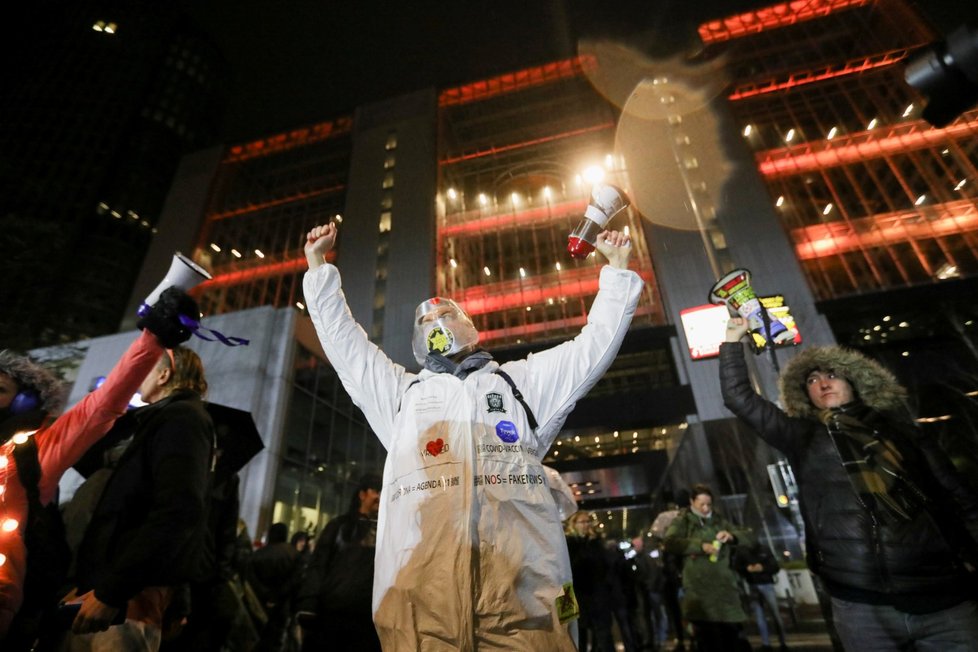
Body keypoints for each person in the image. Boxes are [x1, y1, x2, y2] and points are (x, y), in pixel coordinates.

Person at [303, 220, 642, 650]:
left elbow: (591, 350)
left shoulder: (522, 385)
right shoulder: (402, 396)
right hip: (421, 609)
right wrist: (318, 270)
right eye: (426, 319)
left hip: (524, 606)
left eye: (446, 314)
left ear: (468, 325)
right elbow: (346, 347)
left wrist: (616, 273)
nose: (435, 322)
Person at [721, 316, 978, 651]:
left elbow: (960, 499)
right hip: (860, 604)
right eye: (812, 380)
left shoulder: (902, 432)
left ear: (854, 382)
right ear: (805, 394)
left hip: (944, 598)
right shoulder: (802, 436)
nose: (823, 383)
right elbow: (739, 398)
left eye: (832, 374)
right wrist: (731, 339)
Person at [0, 288, 195, 649]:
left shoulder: (32, 450)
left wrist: (153, 338)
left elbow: (101, 407)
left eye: (0, 388)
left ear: (25, 400)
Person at [66, 345, 216, 651]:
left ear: (164, 375)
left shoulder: (182, 417)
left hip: (126, 601)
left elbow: (178, 511)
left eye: (147, 368)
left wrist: (112, 591)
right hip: (107, 591)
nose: (137, 377)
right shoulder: (160, 419)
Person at [296, 473, 382, 652]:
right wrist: (308, 604)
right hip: (331, 617)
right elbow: (318, 565)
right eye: (376, 490)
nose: (380, 496)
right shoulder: (339, 526)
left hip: (369, 622)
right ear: (362, 494)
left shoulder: (387, 530)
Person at [663, 484, 752, 652]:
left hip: (724, 590)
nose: (705, 508)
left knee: (732, 638)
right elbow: (670, 542)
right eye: (701, 504)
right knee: (708, 639)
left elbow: (748, 536)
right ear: (692, 502)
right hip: (699, 591)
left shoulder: (719, 521)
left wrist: (732, 536)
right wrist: (700, 546)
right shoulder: (683, 521)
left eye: (708, 504)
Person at [249, 523, 302, 652]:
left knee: (258, 638)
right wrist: (278, 596)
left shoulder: (258, 554)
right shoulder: (293, 554)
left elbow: (251, 579)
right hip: (282, 604)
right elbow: (295, 580)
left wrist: (266, 595)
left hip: (259, 603)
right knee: (276, 640)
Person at [733, 541, 788, 652]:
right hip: (753, 585)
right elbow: (737, 567)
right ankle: (767, 643)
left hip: (765, 584)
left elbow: (774, 567)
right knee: (760, 617)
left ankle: (782, 642)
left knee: (774, 615)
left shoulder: (763, 549)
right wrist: (747, 569)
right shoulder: (743, 551)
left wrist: (762, 568)